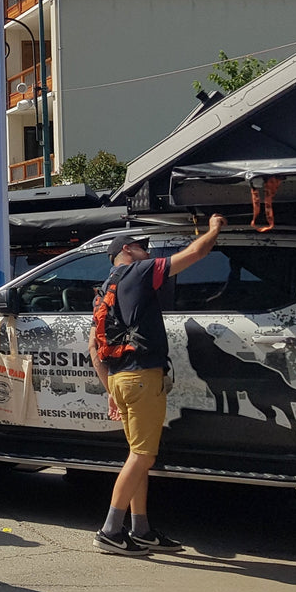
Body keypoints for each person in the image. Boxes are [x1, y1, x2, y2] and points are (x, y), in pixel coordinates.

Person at [87, 216, 226, 556]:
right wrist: (214, 229)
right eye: (143, 248)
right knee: (142, 457)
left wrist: (111, 390)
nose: (148, 253)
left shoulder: (105, 290)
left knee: (138, 457)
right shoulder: (139, 273)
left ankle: (141, 529)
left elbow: (93, 347)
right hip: (142, 378)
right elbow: (194, 253)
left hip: (120, 379)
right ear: (129, 250)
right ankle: (110, 531)